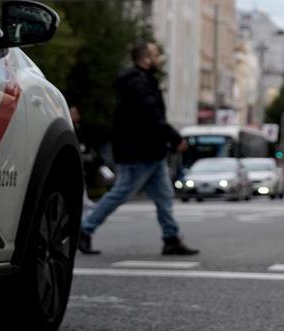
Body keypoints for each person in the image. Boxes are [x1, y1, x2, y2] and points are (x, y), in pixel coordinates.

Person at [79, 42, 198, 256]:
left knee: (164, 196)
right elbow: (150, 115)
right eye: (156, 55)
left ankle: (171, 238)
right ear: (146, 59)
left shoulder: (144, 81)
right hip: (138, 152)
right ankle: (85, 229)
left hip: (152, 152)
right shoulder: (137, 83)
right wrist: (174, 138)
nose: (159, 59)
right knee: (121, 193)